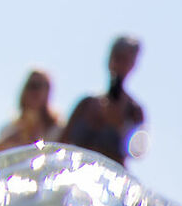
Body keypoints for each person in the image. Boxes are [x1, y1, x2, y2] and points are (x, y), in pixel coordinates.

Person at [59, 34, 148, 166]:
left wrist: (121, 127)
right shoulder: (86, 104)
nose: (119, 64)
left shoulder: (134, 111)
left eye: (126, 59)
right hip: (74, 176)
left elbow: (138, 152)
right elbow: (60, 143)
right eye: (117, 57)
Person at [0, 69, 60, 153]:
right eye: (32, 85)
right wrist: (20, 135)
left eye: (42, 86)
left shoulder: (58, 129)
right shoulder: (9, 129)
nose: (36, 91)